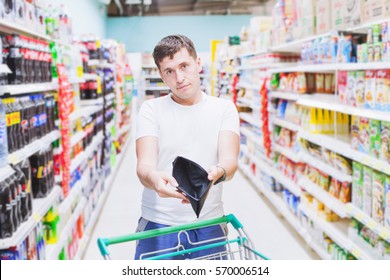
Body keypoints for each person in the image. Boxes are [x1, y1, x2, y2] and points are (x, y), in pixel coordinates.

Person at [135, 34, 240, 260]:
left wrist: (217, 173)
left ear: (198, 64)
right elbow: (144, 166)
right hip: (158, 222)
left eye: (184, 66)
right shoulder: (150, 109)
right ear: (162, 76)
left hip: (209, 223)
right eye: (169, 71)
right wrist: (154, 179)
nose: (179, 77)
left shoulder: (224, 109)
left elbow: (230, 162)